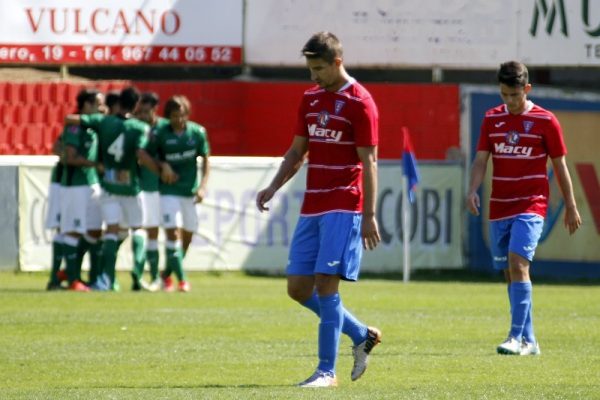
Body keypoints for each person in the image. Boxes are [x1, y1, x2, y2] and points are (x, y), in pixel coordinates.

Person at [255, 32, 382, 388]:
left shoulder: (360, 101)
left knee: (326, 283)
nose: (314, 76)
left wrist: (369, 215)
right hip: (313, 204)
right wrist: (273, 186)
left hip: (344, 203)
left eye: (319, 69)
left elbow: (369, 162)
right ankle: (361, 334)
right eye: (310, 69)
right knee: (298, 287)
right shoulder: (310, 98)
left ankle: (326, 371)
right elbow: (297, 151)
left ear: (337, 62)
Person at [466, 61, 582, 356]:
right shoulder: (491, 119)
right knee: (510, 273)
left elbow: (560, 166)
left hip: (531, 205)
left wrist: (570, 205)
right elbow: (480, 161)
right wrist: (472, 190)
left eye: (515, 95)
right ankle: (530, 341)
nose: (510, 101)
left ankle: (515, 337)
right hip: (499, 207)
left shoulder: (546, 120)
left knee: (519, 265)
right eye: (504, 94)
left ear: (527, 89)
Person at [66, 86, 159, 291]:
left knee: (111, 231)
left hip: (108, 187)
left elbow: (71, 119)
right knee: (138, 229)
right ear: (135, 105)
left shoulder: (104, 121)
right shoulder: (139, 127)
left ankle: (106, 279)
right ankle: (137, 273)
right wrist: (159, 170)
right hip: (131, 188)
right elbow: (141, 154)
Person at [154, 95, 210, 293]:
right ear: (168, 116)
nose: (178, 119)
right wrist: (163, 165)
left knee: (187, 237)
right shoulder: (161, 134)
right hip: (168, 190)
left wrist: (202, 187)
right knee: (173, 233)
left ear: (188, 114)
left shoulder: (197, 132)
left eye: (182, 115)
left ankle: (166, 274)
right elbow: (150, 156)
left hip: (189, 192)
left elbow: (206, 160)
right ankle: (182, 280)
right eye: (174, 116)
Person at [59, 88, 106, 291]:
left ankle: (69, 270)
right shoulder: (74, 128)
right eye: (98, 104)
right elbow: (70, 157)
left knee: (95, 231)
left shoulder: (93, 126)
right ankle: (73, 280)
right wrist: (95, 165)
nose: (102, 108)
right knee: (73, 231)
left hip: (92, 184)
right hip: (75, 186)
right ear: (87, 105)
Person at [135, 92, 169, 291]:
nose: (142, 115)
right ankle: (142, 274)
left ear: (155, 109)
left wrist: (163, 166)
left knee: (156, 232)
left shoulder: (164, 127)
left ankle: (157, 276)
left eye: (146, 111)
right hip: (140, 186)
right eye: (140, 111)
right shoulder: (136, 127)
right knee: (141, 231)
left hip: (161, 188)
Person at [45, 138, 66, 290]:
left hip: (81, 184)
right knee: (62, 228)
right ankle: (55, 278)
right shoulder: (72, 130)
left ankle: (69, 273)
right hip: (62, 183)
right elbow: (56, 147)